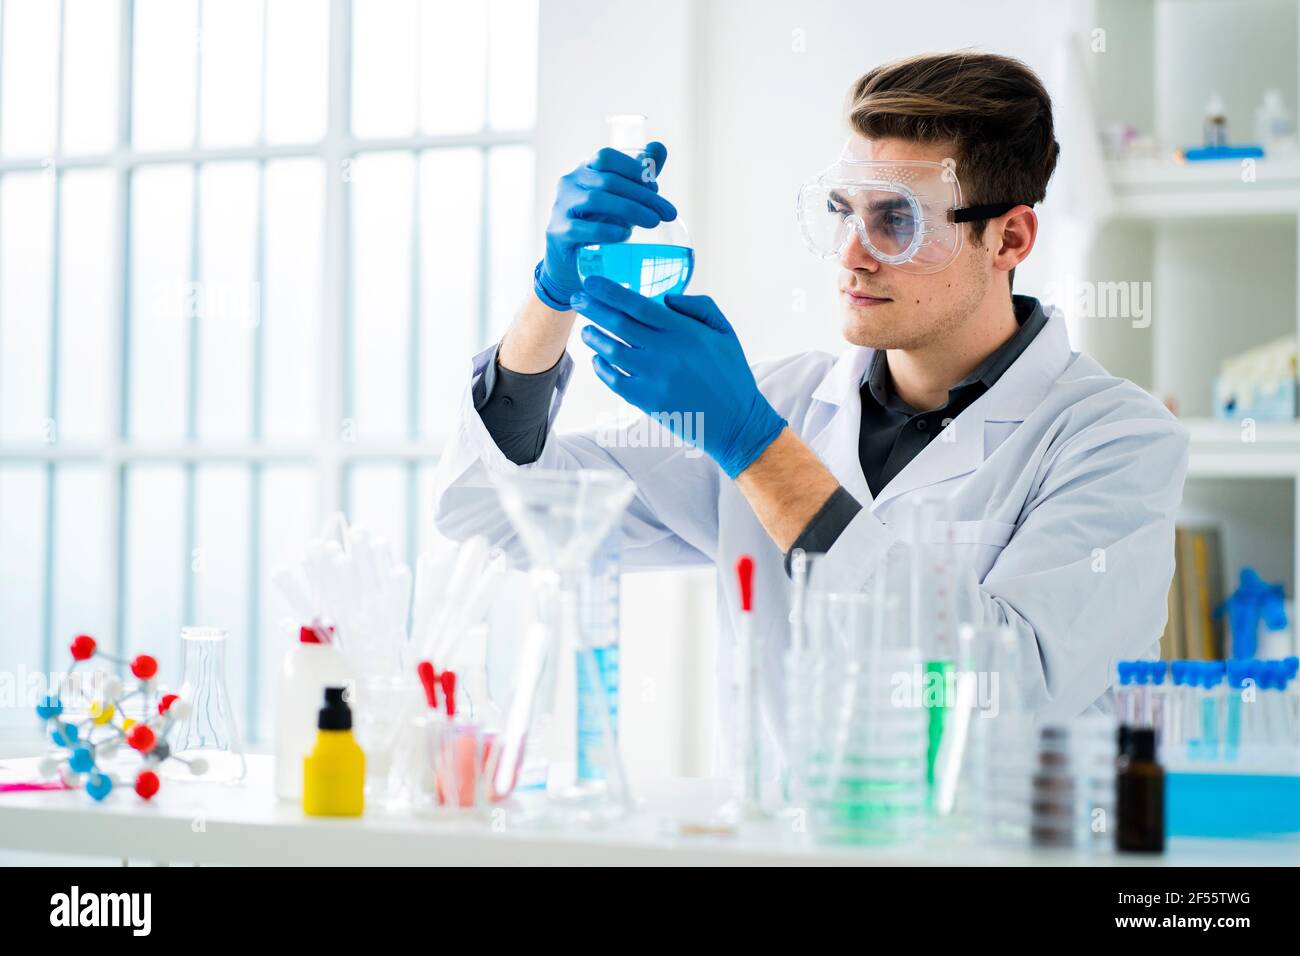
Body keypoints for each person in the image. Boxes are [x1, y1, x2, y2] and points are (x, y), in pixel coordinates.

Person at [432, 52, 1189, 766]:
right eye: (842, 212)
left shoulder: (1115, 441)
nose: (852, 253)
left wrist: (756, 449)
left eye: (898, 220)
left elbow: (1004, 690)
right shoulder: (787, 402)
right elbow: (492, 510)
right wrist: (550, 296)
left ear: (1009, 238)